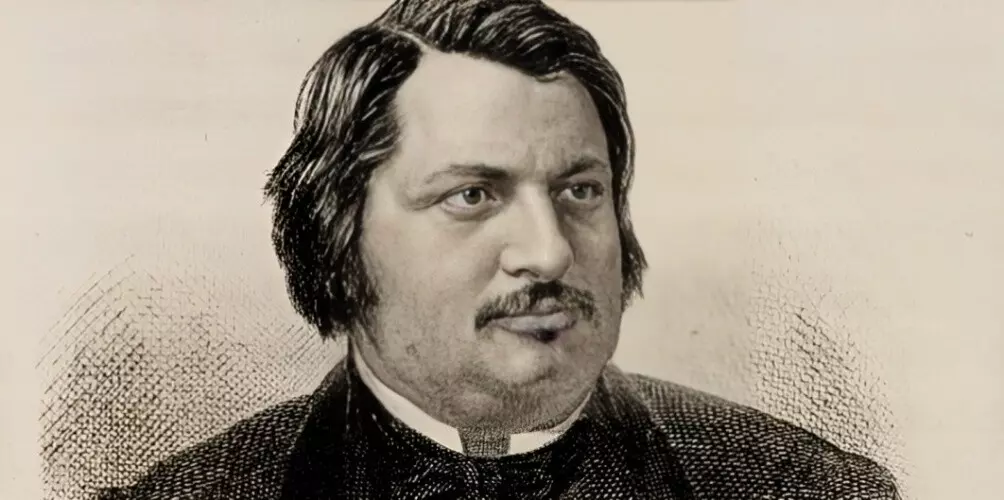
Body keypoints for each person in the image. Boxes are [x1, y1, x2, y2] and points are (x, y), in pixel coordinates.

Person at [98, 0, 901, 498]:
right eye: (473, 196)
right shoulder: (195, 494)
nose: (549, 254)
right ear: (338, 236)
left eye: (579, 191)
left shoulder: (809, 489)